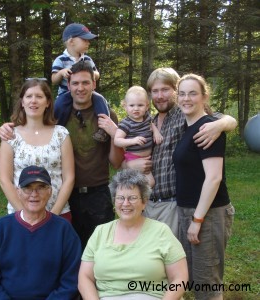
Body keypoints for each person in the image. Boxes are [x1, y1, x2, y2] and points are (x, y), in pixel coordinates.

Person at [0, 61, 124, 249]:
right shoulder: (60, 115)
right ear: (68, 85)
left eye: (85, 83)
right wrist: (7, 128)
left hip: (95, 193)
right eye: (75, 83)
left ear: (94, 84)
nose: (80, 88)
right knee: (68, 252)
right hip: (67, 196)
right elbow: (35, 122)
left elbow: (116, 161)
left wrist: (114, 134)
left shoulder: (105, 116)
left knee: (101, 249)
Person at [125, 67, 237, 236]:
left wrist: (220, 124)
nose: (160, 95)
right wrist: (129, 164)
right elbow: (129, 151)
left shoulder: (184, 114)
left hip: (173, 204)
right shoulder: (149, 121)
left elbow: (227, 119)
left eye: (165, 90)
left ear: (176, 92)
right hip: (148, 203)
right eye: (155, 91)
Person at [78, 169, 188, 300]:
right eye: (120, 198)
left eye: (132, 198)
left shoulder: (161, 231)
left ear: (144, 202)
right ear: (114, 201)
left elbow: (180, 279)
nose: (125, 203)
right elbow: (84, 277)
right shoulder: (100, 232)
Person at [173, 74, 235, 300]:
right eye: (182, 93)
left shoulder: (208, 127)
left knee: (207, 287)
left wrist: (197, 220)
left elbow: (214, 178)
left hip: (207, 214)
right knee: (197, 280)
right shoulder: (187, 127)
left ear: (204, 96)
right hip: (189, 211)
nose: (186, 98)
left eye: (193, 93)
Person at [0, 165, 81, 300]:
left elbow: (71, 280)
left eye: (41, 187)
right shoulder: (2, 228)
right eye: (28, 188)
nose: (34, 194)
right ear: (18, 192)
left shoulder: (64, 230)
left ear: (50, 191)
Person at [0, 78, 75, 222]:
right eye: (28, 96)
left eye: (39, 96)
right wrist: (24, 214)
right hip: (19, 216)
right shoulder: (10, 135)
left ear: (47, 103)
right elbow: (5, 180)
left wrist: (53, 215)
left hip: (57, 213)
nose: (33, 101)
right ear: (22, 102)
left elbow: (69, 178)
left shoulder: (61, 134)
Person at [52, 22, 109, 142]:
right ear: (71, 41)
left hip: (87, 94)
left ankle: (103, 129)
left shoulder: (87, 59)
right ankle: (56, 131)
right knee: (59, 105)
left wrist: (92, 74)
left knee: (100, 100)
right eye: (85, 40)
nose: (88, 43)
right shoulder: (60, 59)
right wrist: (61, 73)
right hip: (65, 93)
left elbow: (96, 74)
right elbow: (53, 79)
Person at [114, 86, 163, 187]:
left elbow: (151, 123)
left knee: (149, 183)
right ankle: (132, 193)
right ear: (125, 106)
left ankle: (135, 194)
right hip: (133, 158)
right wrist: (132, 141)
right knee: (150, 183)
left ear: (147, 106)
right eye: (132, 105)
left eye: (140, 105)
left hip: (146, 158)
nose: (136, 108)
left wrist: (156, 132)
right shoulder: (126, 123)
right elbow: (117, 140)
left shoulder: (147, 117)